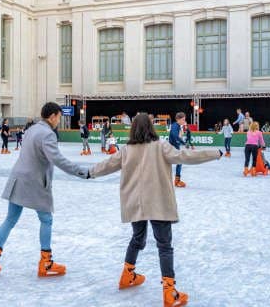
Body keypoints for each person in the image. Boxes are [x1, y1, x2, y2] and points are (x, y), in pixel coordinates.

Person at [89, 113, 222, 307]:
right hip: (158, 203)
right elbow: (185, 156)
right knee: (164, 245)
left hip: (136, 203)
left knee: (137, 239)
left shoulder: (126, 150)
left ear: (133, 129)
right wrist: (213, 153)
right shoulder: (161, 147)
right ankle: (169, 291)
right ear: (151, 128)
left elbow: (107, 165)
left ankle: (127, 275)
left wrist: (89, 172)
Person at [0, 102, 90, 277]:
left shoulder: (31, 130)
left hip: (18, 179)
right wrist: (81, 172)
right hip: (34, 183)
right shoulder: (48, 134)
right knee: (46, 220)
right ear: (53, 116)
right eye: (59, 117)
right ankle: (46, 261)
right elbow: (58, 160)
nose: (58, 121)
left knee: (10, 219)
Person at [169, 112, 187, 187]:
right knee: (179, 162)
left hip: (175, 147)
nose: (184, 121)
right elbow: (175, 135)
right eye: (183, 120)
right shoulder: (174, 126)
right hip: (172, 148)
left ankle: (177, 180)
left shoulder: (178, 126)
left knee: (179, 162)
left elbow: (177, 136)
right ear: (178, 119)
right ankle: (177, 181)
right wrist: (183, 142)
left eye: (184, 119)